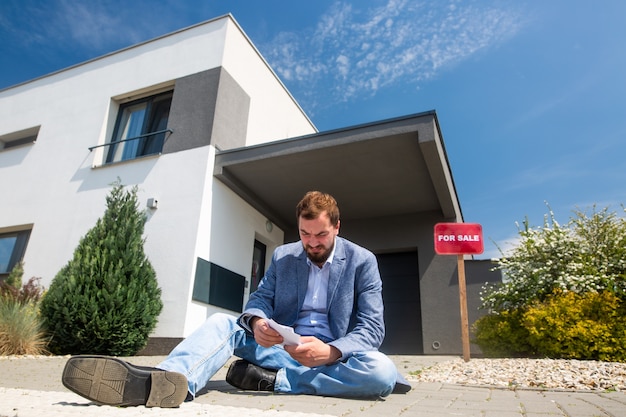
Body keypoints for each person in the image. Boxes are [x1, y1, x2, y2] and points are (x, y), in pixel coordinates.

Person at [61, 191, 411, 408]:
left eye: (320, 234)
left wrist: (332, 351)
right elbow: (259, 298)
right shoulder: (284, 256)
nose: (312, 242)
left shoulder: (363, 261)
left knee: (380, 372)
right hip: (280, 350)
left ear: (337, 227)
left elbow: (371, 328)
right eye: (305, 234)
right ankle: (164, 381)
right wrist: (258, 322)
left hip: (330, 357)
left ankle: (275, 382)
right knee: (221, 323)